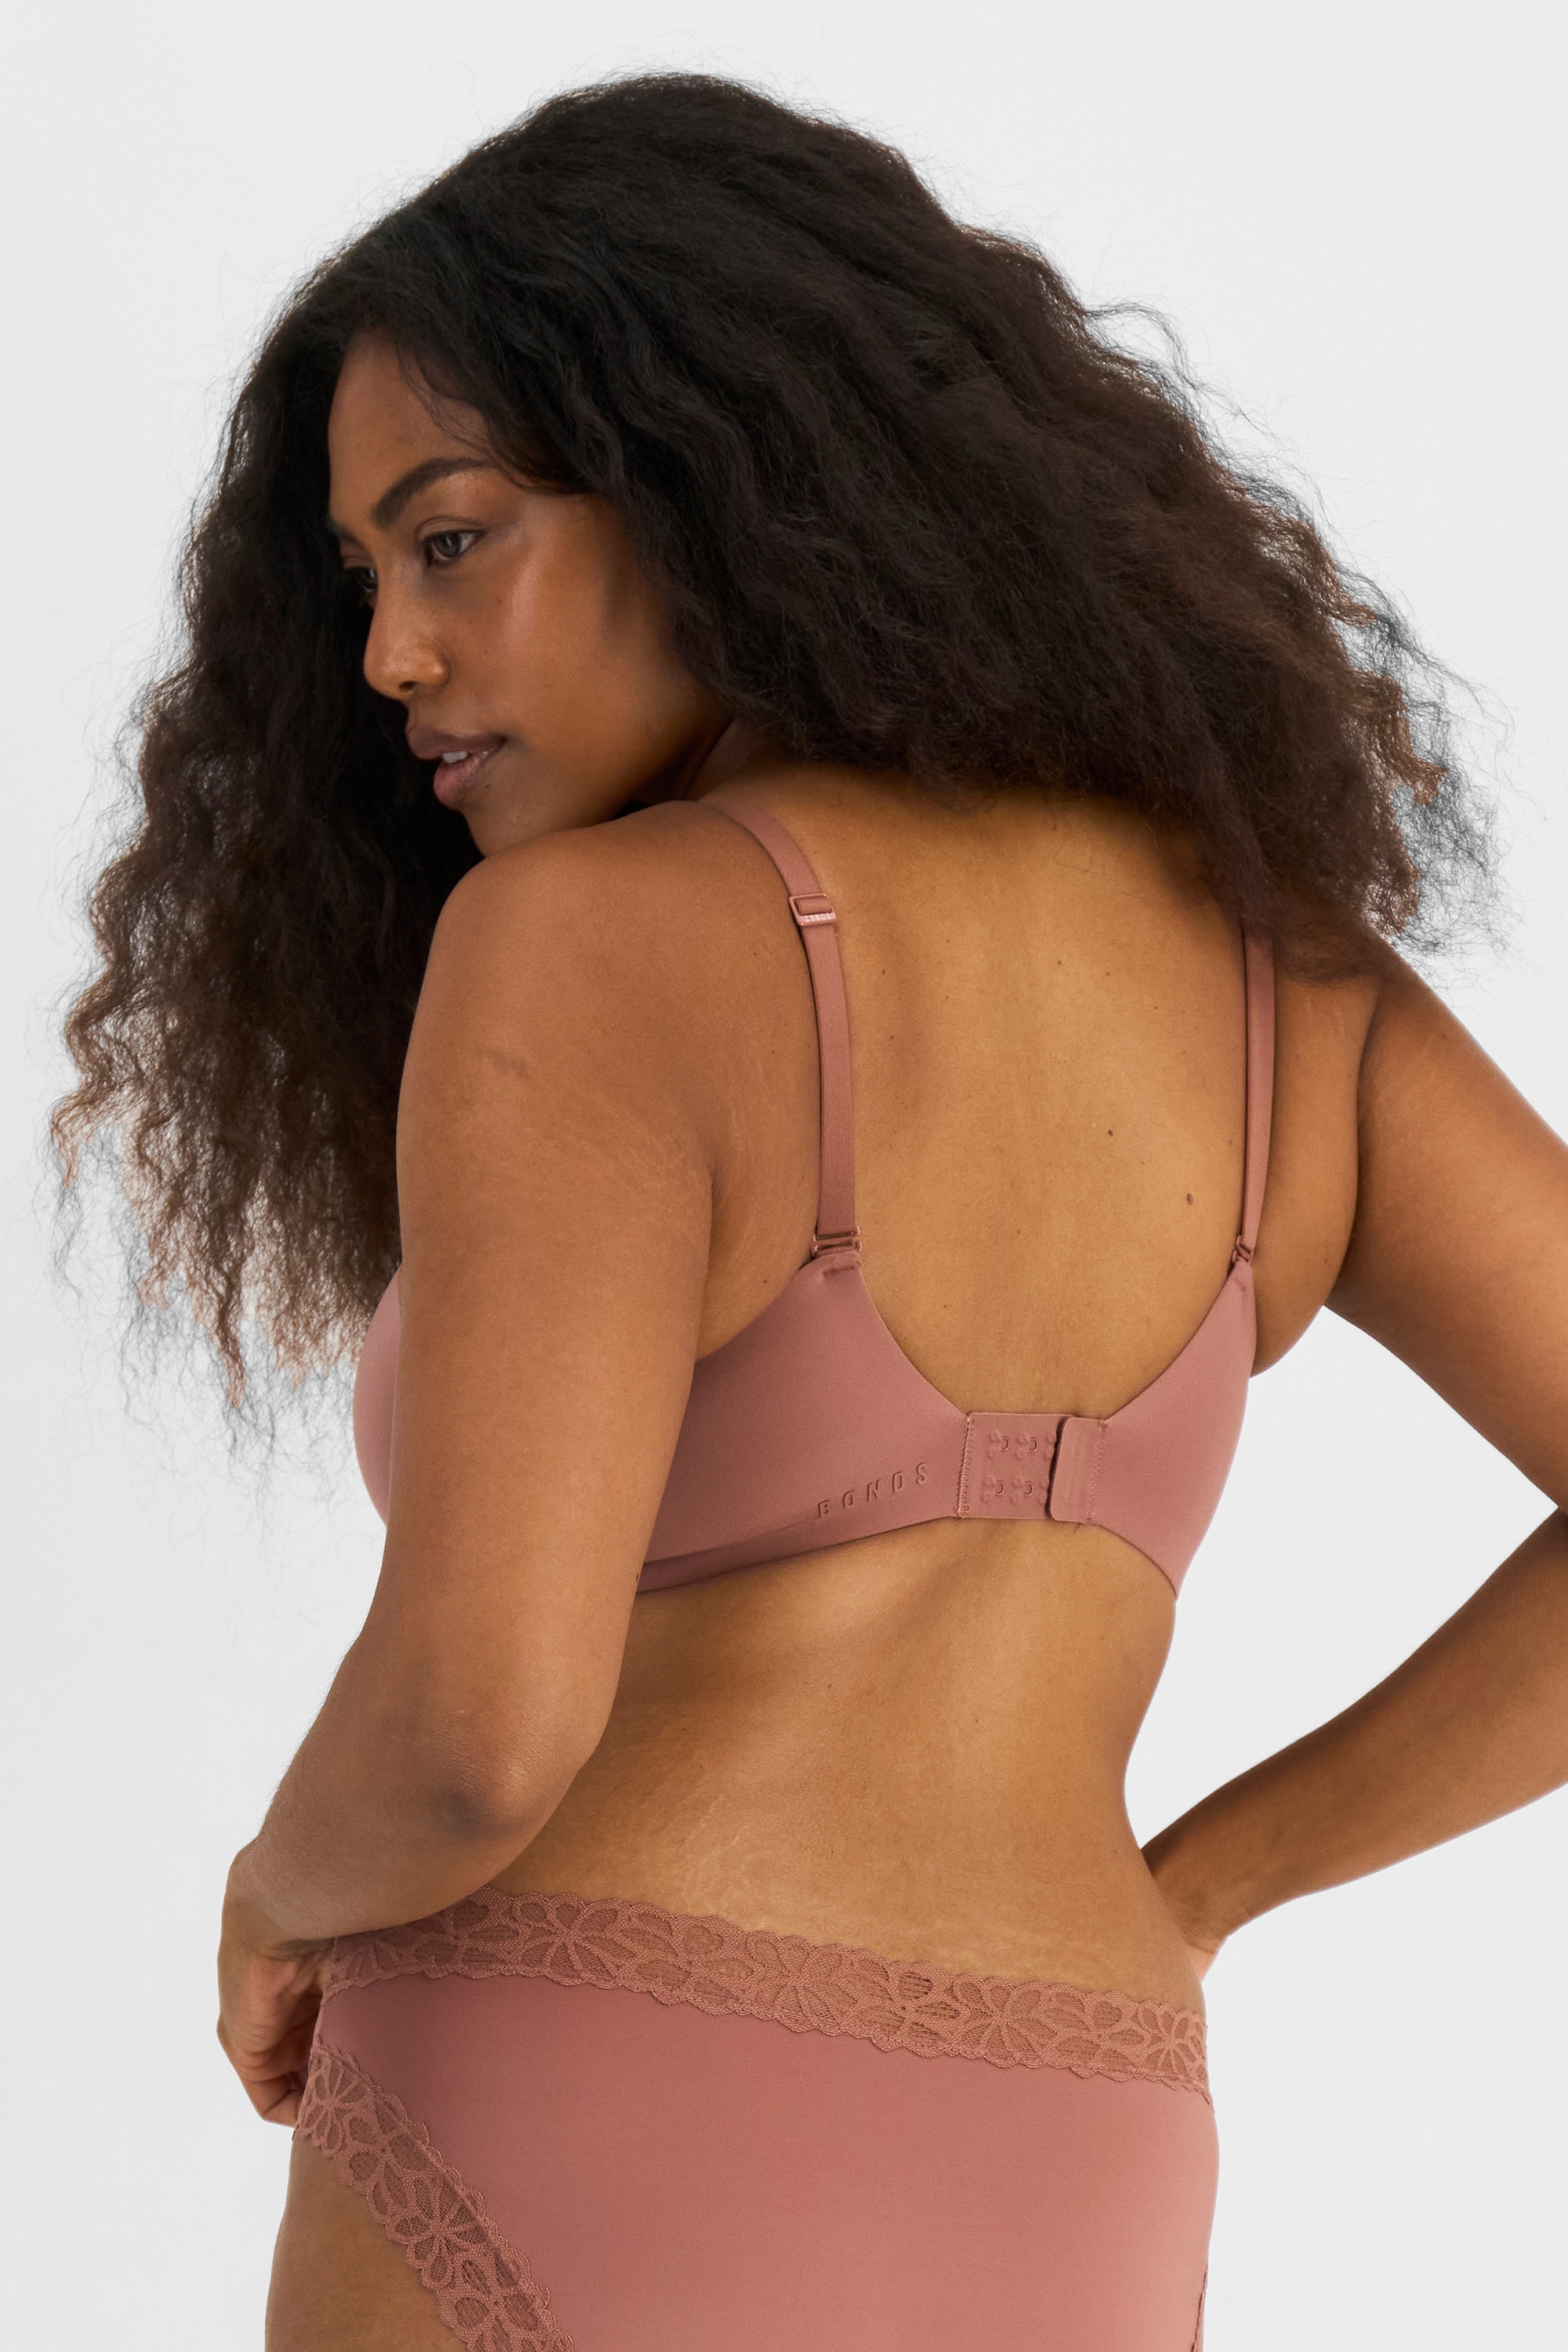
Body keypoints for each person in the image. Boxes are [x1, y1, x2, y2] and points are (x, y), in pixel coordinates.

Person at [54, 72, 1568, 2352]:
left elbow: (478, 1729)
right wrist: (1195, 1894)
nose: (386, 657)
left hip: (582, 2097)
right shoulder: (1296, 994)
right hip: (1086, 2147)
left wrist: (276, 1886)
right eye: (363, 580)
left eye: (450, 541)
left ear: (709, 472)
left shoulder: (598, 946)